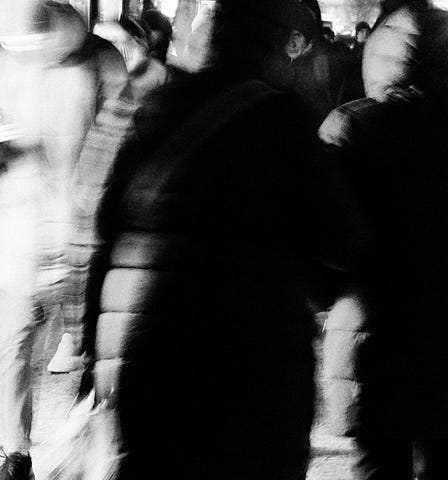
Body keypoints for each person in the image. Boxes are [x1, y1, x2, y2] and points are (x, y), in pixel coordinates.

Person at [83, 0, 363, 478]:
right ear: (279, 46)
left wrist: (96, 353)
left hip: (154, 351)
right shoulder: (282, 119)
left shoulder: (155, 108)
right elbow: (341, 240)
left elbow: (106, 231)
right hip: (255, 359)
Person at [317, 3, 448, 480]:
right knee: (447, 462)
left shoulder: (348, 127)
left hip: (375, 330)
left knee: (378, 464)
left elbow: (329, 237)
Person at [0, 1, 126, 478]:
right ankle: (16, 454)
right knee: (13, 347)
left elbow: (124, 134)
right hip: (20, 232)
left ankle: (96, 437)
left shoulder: (100, 61)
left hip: (85, 231)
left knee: (98, 346)